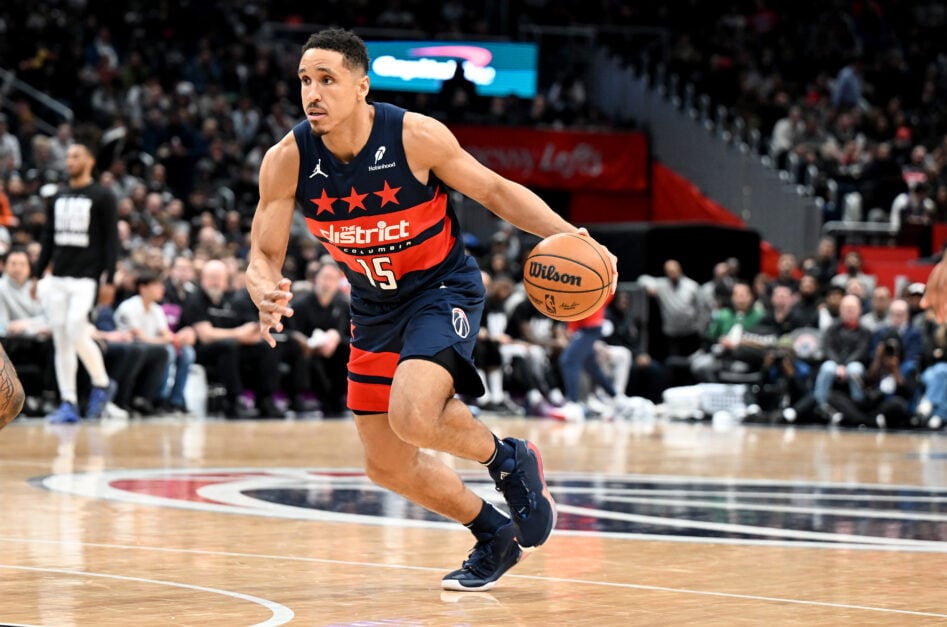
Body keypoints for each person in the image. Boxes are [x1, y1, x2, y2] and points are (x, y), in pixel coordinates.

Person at [246, 28, 616, 592]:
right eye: (304, 81)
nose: (312, 93)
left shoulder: (414, 136)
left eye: (327, 80)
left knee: (414, 415)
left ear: (362, 86)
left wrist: (575, 237)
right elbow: (263, 254)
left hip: (440, 290)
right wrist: (262, 287)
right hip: (373, 307)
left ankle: (507, 459)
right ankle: (493, 534)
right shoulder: (287, 160)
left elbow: (495, 191)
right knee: (386, 464)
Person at [31, 141, 118, 423]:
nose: (70, 161)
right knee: (61, 339)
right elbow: (48, 237)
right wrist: (37, 274)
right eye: (68, 156)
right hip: (58, 276)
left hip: (86, 279)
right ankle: (68, 402)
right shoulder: (58, 195)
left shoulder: (103, 195)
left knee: (74, 328)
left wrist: (110, 278)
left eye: (76, 156)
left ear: (90, 160)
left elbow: (111, 240)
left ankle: (101, 383)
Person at [114, 269, 195, 413]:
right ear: (143, 288)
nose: (162, 289)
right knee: (166, 351)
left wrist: (181, 337)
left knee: (187, 352)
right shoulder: (129, 307)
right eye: (157, 285)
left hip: (151, 347)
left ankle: (175, 400)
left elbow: (167, 334)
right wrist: (165, 340)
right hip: (131, 347)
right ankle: (158, 398)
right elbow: (141, 338)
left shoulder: (156, 309)